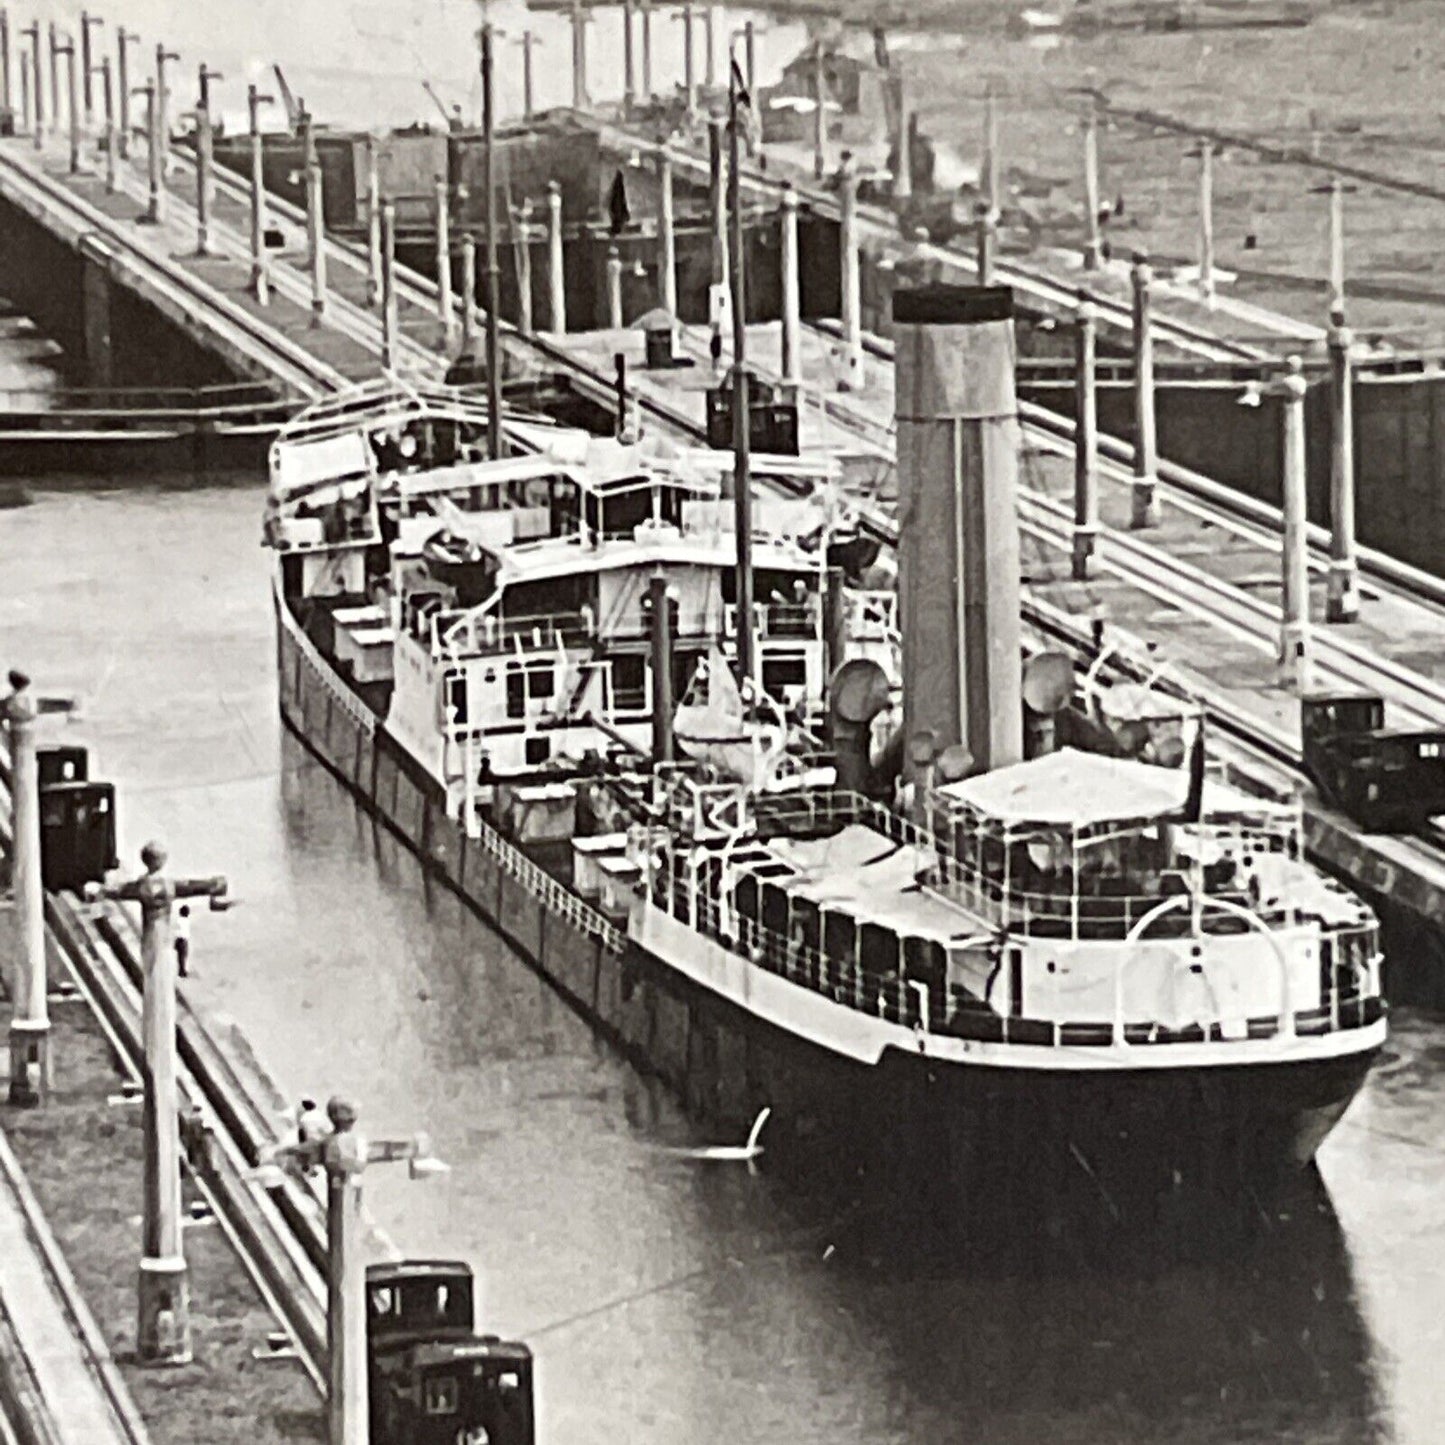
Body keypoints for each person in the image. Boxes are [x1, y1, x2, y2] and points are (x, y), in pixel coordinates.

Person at [173, 904, 191, 978]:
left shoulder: (178, 920)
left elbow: (176, 931)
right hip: (183, 940)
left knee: (180, 956)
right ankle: (182, 970)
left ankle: (181, 970)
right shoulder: (186, 921)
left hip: (179, 939)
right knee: (184, 956)